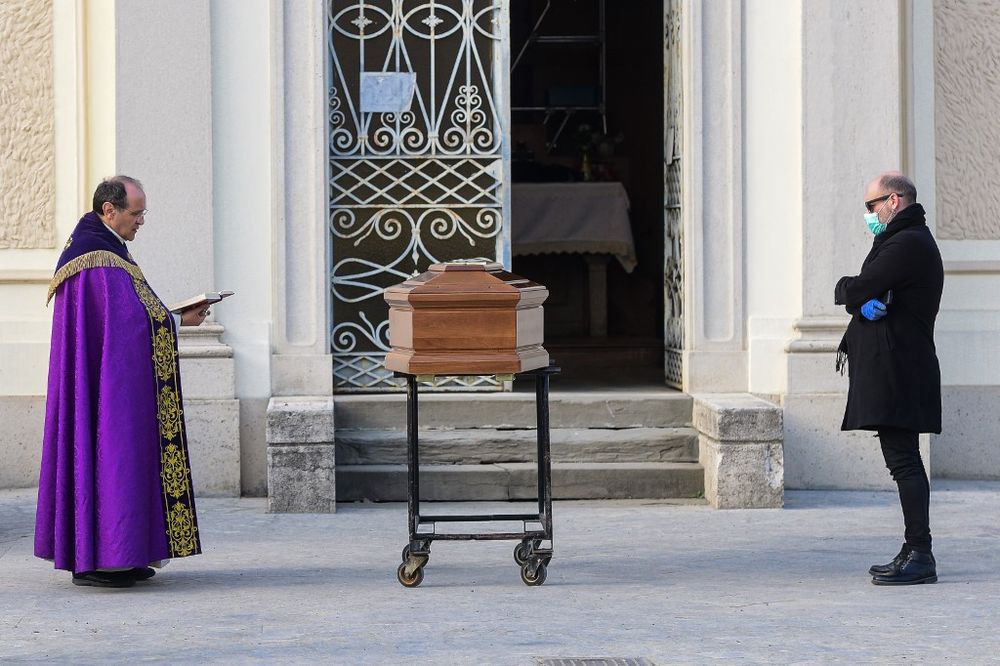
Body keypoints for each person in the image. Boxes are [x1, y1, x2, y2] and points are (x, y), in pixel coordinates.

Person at [35, 176, 210, 588]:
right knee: (111, 454)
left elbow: (128, 315)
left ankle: (121, 555)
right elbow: (129, 324)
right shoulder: (98, 259)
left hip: (106, 381)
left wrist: (169, 318)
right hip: (109, 390)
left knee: (112, 457)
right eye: (137, 213)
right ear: (109, 211)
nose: (142, 221)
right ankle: (102, 560)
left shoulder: (105, 249)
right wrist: (177, 321)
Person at [835, 171, 944, 586]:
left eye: (871, 206)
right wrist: (859, 302)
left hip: (900, 370)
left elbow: (859, 286)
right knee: (904, 461)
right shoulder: (902, 240)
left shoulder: (905, 243)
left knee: (904, 462)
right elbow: (867, 294)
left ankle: (921, 553)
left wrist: (849, 291)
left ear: (894, 200)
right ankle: (914, 548)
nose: (869, 215)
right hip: (900, 367)